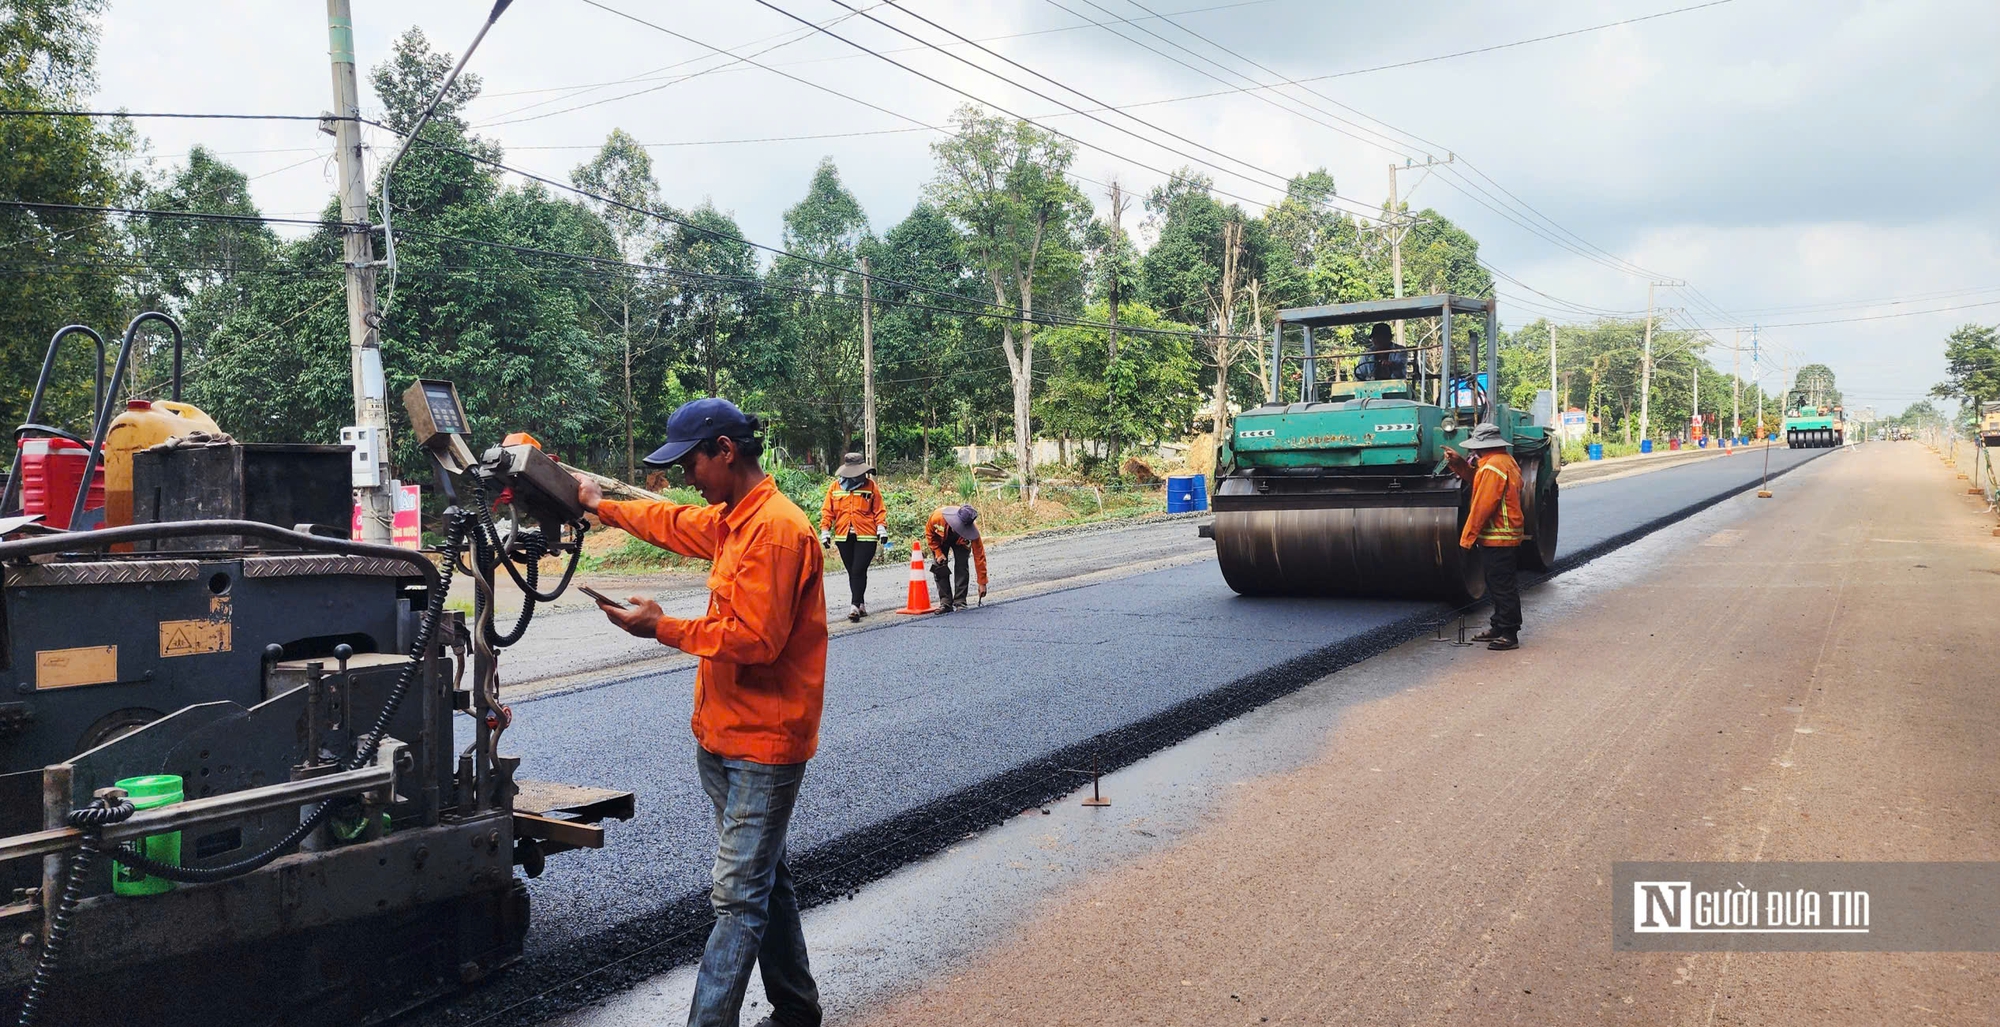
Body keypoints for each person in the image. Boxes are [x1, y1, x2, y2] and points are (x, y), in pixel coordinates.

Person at [572, 397, 826, 1027]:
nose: (688, 475)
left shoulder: (776, 530)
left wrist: (662, 627)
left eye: (692, 461)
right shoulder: (735, 519)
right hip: (723, 734)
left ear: (726, 451)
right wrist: (597, 503)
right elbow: (673, 521)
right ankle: (797, 1009)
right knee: (767, 878)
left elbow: (756, 640)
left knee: (738, 899)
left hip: (763, 743)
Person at [1444, 422, 1525, 651]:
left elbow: (1482, 506)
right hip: (1503, 535)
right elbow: (1479, 479)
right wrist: (1460, 465)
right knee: (1496, 582)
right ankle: (1499, 625)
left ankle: (1509, 633)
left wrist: (1466, 538)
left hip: (1499, 536)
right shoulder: (1502, 462)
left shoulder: (1493, 468)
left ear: (1482, 447)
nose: (1473, 452)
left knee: (1502, 584)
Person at [818, 452, 887, 622]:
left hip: (867, 536)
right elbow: (828, 511)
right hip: (843, 536)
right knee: (854, 572)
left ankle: (854, 606)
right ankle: (861, 603)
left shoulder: (870, 486)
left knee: (857, 569)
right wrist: (825, 531)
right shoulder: (835, 488)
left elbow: (879, 509)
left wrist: (881, 528)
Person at [924, 503, 987, 613]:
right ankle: (945, 602)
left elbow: (979, 555)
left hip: (961, 543)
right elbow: (929, 534)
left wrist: (982, 582)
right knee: (939, 566)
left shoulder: (972, 532)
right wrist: (938, 552)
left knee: (962, 566)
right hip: (941, 539)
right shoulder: (937, 517)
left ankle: (960, 601)